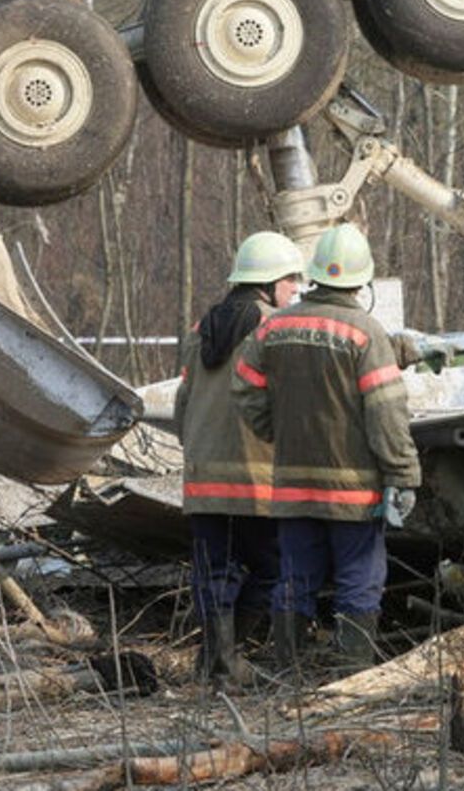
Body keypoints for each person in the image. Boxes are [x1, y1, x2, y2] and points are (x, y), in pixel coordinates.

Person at [233, 222, 420, 666]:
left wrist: (279, 432)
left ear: (315, 274)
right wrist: (404, 475)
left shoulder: (273, 328)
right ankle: (354, 672)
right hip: (353, 491)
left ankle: (288, 672)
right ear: (362, 280)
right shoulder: (365, 333)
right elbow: (387, 413)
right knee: (360, 578)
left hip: (294, 487)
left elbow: (244, 389)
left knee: (295, 578)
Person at [175, 230, 303, 689]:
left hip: (204, 479)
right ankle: (226, 664)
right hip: (257, 476)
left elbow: (182, 402)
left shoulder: (201, 328)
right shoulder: (275, 329)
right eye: (290, 281)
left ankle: (217, 666)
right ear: (267, 283)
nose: (295, 290)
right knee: (274, 568)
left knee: (215, 575)